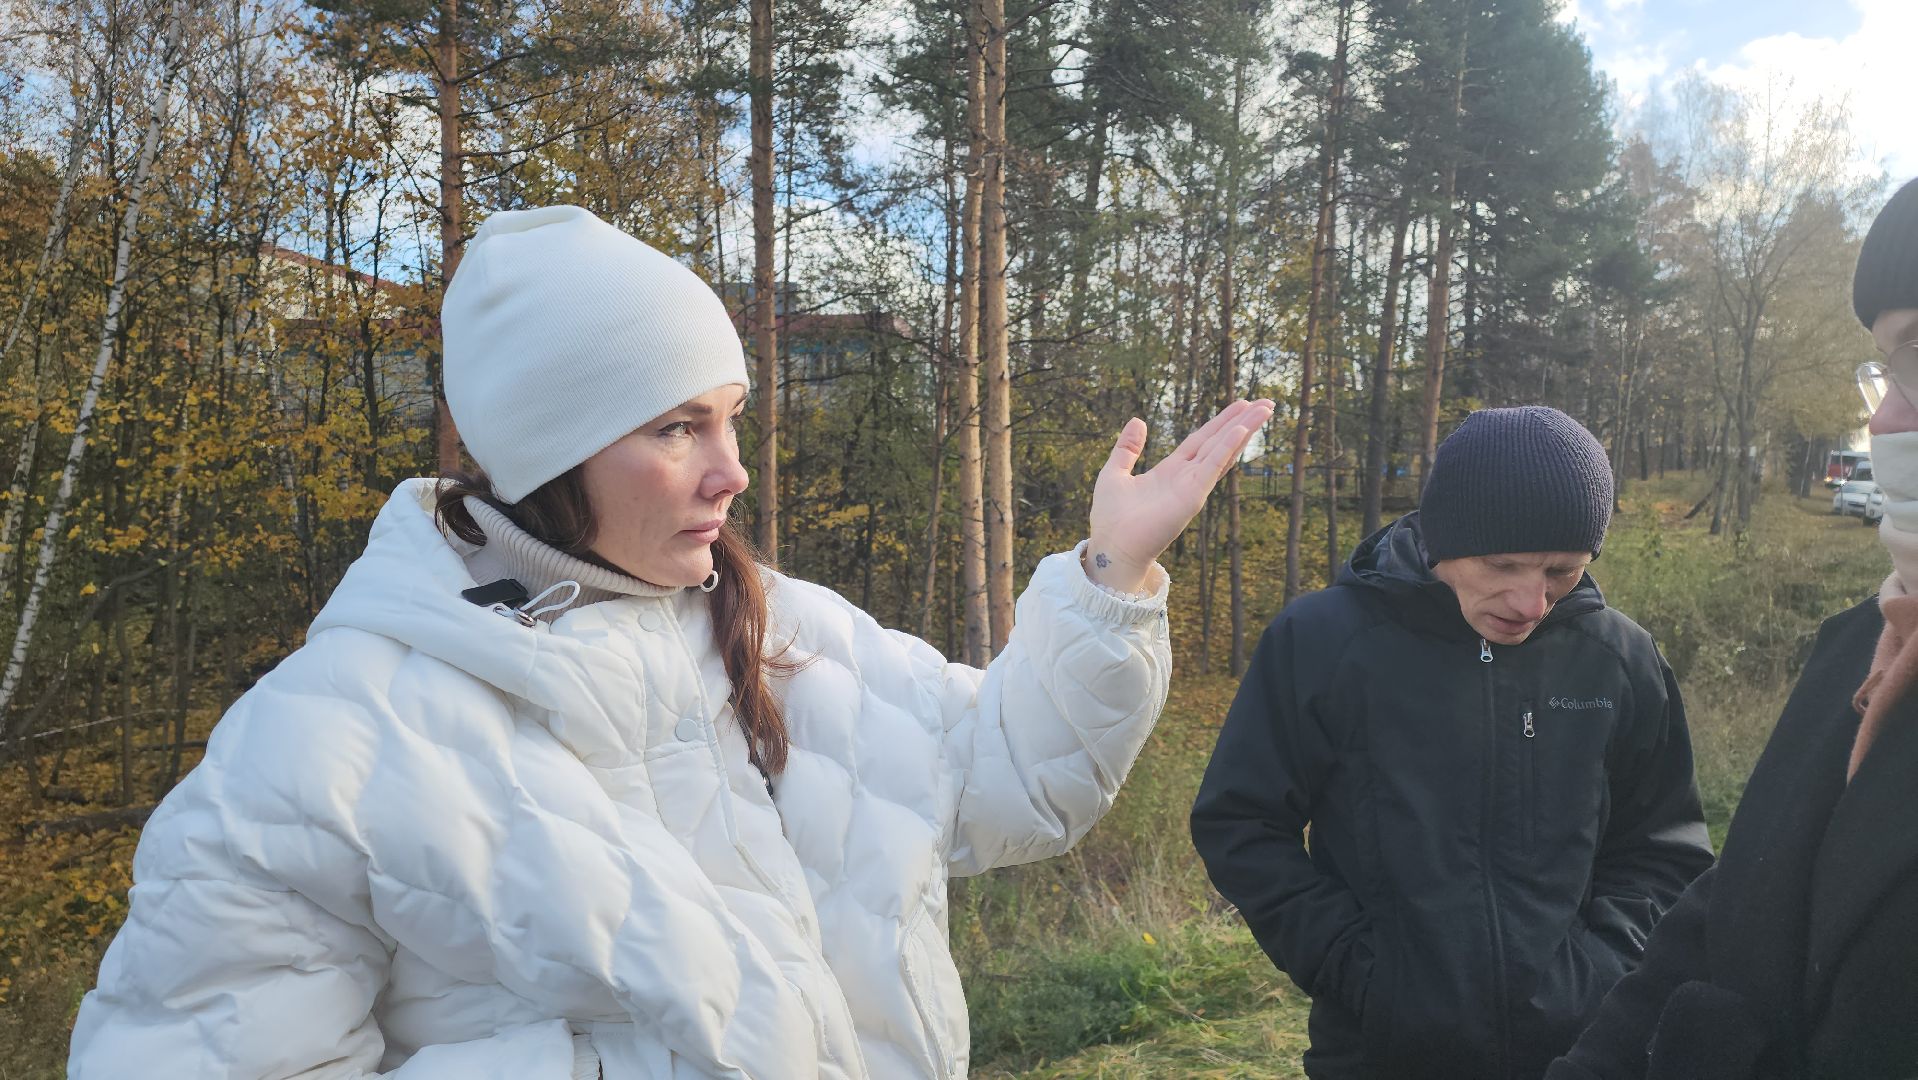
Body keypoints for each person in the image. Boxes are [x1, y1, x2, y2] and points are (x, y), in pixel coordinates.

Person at [67, 205, 1273, 1078]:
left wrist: (1115, 569)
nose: (732, 471)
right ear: (552, 453)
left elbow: (1016, 780)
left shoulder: (784, 630)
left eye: (731, 418)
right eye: (677, 426)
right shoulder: (322, 743)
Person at [1191, 405, 1715, 1080]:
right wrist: (1360, 970)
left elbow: (1663, 849)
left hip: (1587, 1052)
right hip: (1379, 1052)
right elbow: (1241, 823)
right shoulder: (1323, 642)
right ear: (1442, 540)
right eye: (1504, 564)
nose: (1531, 601)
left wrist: (1601, 974)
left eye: (1562, 570)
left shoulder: (1620, 658)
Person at [1546, 179, 1918, 1080]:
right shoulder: (1853, 652)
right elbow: (1735, 894)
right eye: (1886, 366)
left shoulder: (1621, 657)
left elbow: (1665, 846)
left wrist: (1580, 962)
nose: (1882, 417)